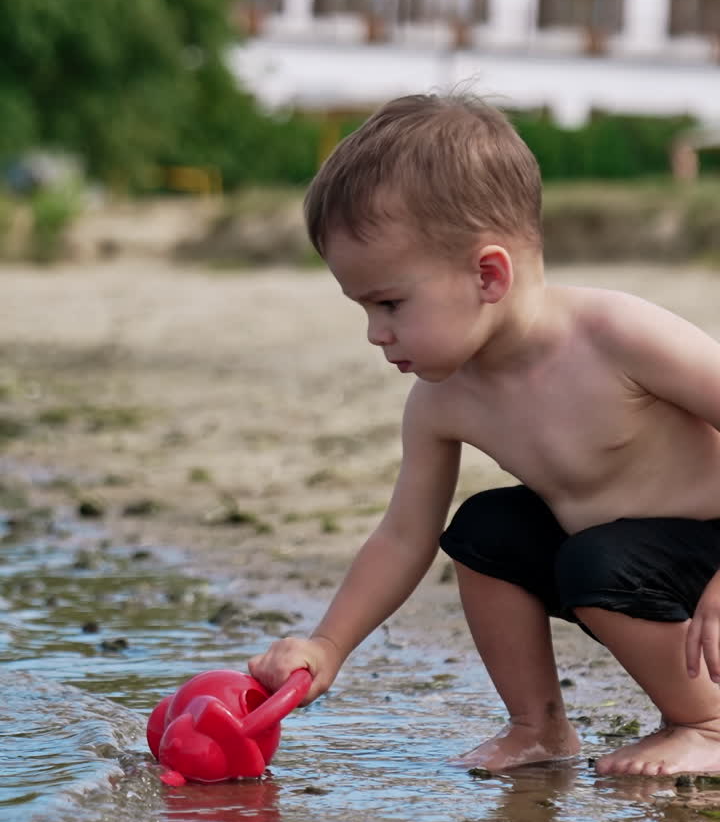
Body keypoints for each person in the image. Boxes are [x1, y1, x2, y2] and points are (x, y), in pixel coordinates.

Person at [248, 92, 720, 776]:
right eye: (364, 308)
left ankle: (706, 724)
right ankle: (538, 727)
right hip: (622, 564)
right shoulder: (442, 399)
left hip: (703, 561)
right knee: (483, 529)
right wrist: (326, 646)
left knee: (599, 561)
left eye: (389, 304)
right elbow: (404, 535)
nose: (376, 334)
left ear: (487, 274)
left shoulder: (616, 336)